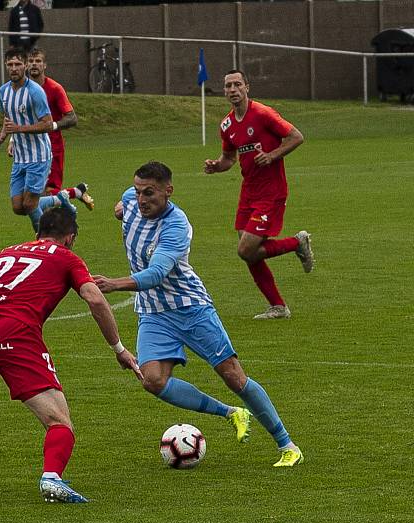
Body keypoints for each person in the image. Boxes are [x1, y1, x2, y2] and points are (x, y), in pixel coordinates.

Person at [94, 161, 303, 468]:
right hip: (153, 313)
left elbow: (155, 274)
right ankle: (231, 413)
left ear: (169, 191)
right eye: (138, 192)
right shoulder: (130, 199)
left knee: (233, 376)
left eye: (149, 193)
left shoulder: (177, 226)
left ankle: (288, 445)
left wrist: (112, 284)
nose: (141, 200)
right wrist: (122, 211)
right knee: (152, 380)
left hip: (190, 308)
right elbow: (121, 206)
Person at [0, 207, 141, 502]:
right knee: (59, 420)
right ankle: (52, 478)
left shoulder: (5, 253)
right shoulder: (66, 257)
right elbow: (95, 299)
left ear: (37, 232)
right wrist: (119, 350)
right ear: (70, 237)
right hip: (15, 334)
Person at [204, 69, 313, 320]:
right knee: (250, 253)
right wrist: (215, 166)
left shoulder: (263, 114)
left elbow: (296, 137)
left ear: (247, 87)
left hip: (271, 191)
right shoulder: (227, 125)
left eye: (237, 85)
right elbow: (229, 159)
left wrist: (273, 155)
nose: (232, 90)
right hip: (248, 191)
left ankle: (297, 242)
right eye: (228, 86)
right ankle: (278, 307)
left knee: (245, 250)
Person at [0, 47, 80, 233]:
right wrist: (4, 136)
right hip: (20, 158)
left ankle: (45, 240)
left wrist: (19, 130)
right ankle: (62, 198)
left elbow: (48, 123)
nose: (14, 68)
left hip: (39, 155)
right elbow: (9, 116)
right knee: (18, 206)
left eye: (18, 64)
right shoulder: (3, 92)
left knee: (31, 203)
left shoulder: (36, 92)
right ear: (6, 66)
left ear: (24, 66)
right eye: (10, 64)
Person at [23, 46, 94, 210]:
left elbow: (72, 118)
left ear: (44, 65)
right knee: (28, 196)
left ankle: (53, 229)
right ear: (26, 65)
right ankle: (76, 192)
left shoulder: (54, 89)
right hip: (29, 149)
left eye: (38, 61)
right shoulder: (23, 90)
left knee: (46, 195)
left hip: (52, 147)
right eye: (31, 61)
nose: (34, 64)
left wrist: (52, 126)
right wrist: (13, 139)